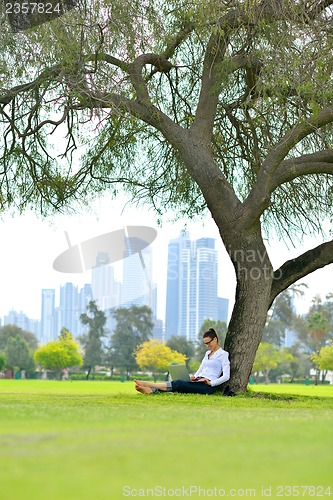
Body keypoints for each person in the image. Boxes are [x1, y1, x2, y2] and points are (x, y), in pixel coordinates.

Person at [134, 328, 230, 395]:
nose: (207, 346)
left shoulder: (223, 354)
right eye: (205, 344)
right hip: (198, 380)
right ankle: (151, 391)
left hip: (207, 386)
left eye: (208, 343)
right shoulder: (207, 353)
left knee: (179, 384)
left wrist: (211, 383)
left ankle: (148, 385)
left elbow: (226, 376)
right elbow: (201, 368)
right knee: (180, 383)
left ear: (215, 339)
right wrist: (194, 376)